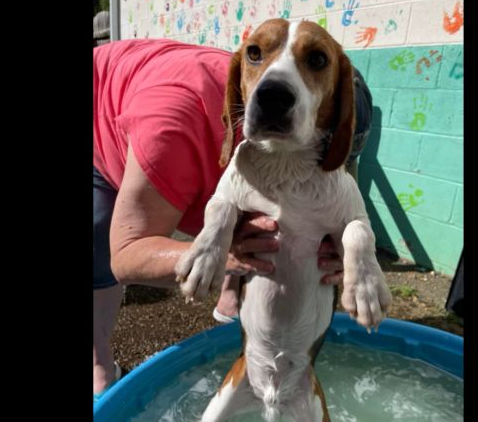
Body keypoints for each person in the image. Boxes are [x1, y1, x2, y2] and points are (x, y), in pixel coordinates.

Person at [93, 37, 373, 400]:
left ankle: (230, 309)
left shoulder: (306, 123)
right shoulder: (171, 131)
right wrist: (223, 254)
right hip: (105, 106)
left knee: (243, 225)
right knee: (100, 246)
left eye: (334, 152)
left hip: (168, 92)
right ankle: (99, 366)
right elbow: (128, 257)